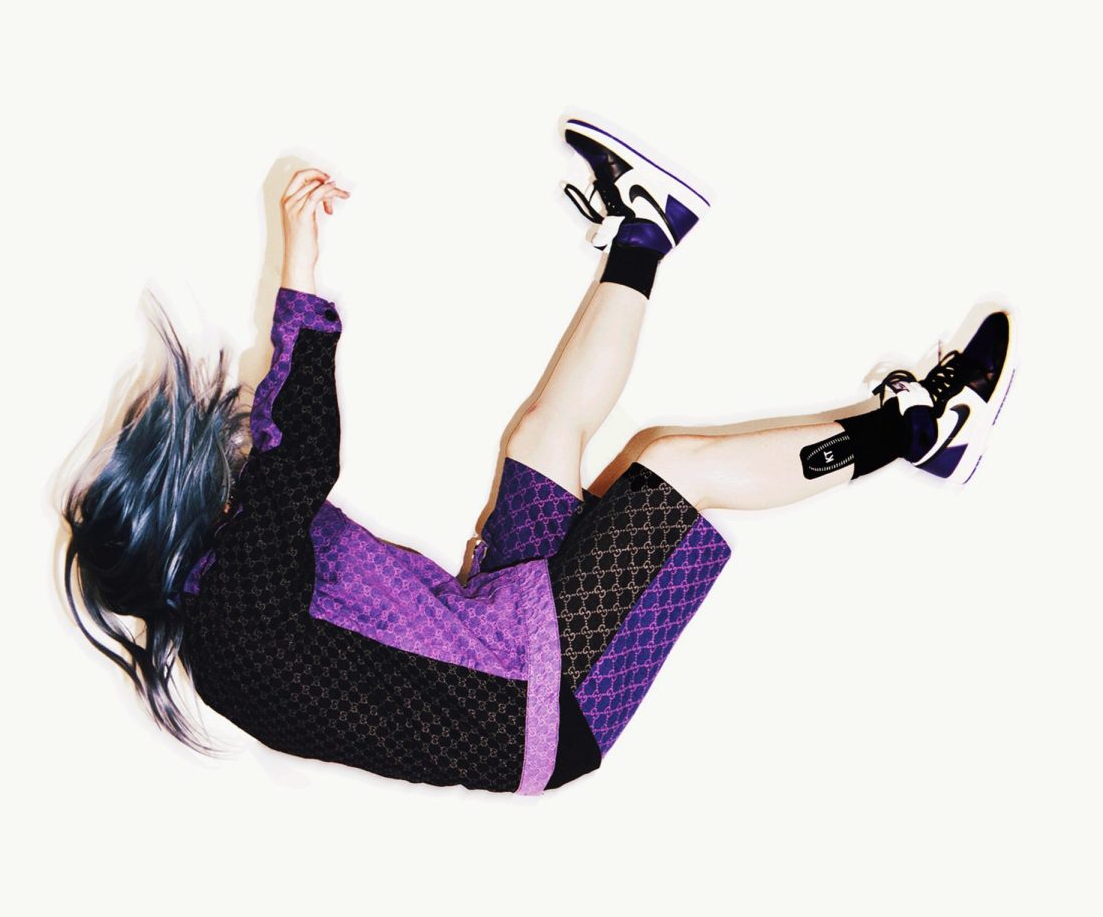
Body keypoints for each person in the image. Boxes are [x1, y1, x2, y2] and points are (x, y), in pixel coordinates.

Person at [59, 115, 1016, 794]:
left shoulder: (225, 615)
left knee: (542, 438)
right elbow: (298, 459)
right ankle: (922, 431)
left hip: (500, 640)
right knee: (676, 466)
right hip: (539, 698)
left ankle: (644, 232)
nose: (219, 490)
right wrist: (299, 270)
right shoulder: (232, 607)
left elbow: (278, 464)